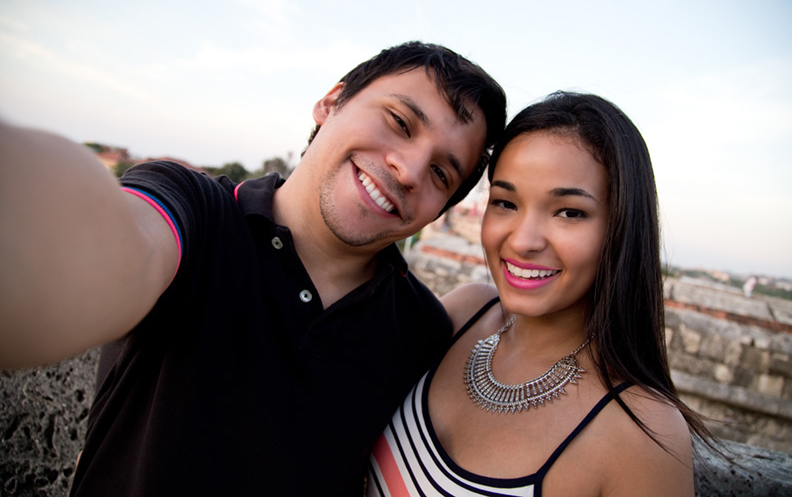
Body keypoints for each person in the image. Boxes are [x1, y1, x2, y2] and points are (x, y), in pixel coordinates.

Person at [0, 41, 507, 495]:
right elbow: (111, 242)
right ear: (331, 102)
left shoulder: (419, 333)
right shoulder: (200, 216)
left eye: (442, 172)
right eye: (399, 121)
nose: (410, 169)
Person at [367, 92, 715, 496]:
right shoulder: (465, 313)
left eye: (569, 212)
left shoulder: (641, 430)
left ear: (621, 229)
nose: (523, 241)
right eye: (505, 202)